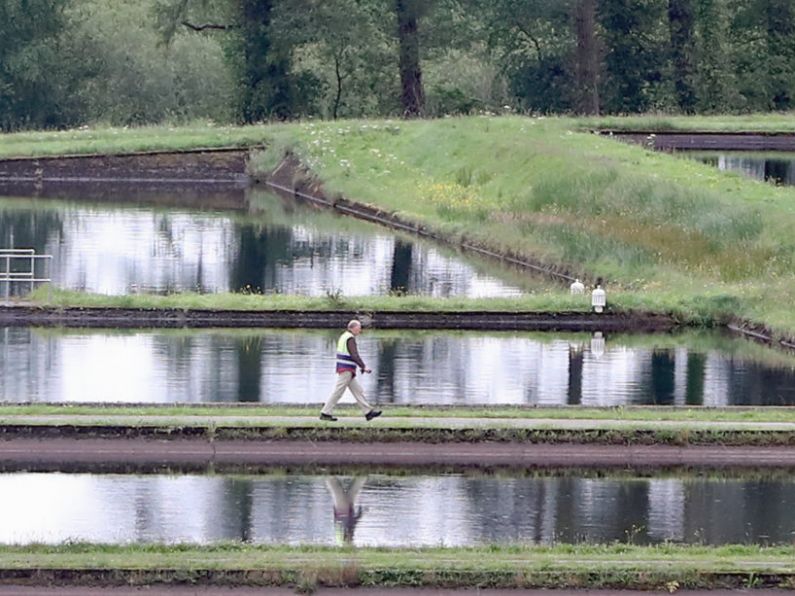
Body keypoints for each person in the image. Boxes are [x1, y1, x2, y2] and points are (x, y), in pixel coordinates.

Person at [320, 319, 382, 421]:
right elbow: (354, 355)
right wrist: (363, 366)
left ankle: (368, 412)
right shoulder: (350, 338)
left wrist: (360, 366)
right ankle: (325, 413)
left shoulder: (344, 336)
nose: (360, 331)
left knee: (358, 391)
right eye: (358, 329)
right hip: (346, 369)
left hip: (346, 368)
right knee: (338, 391)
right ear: (352, 328)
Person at [325, 476, 367, 545]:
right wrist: (360, 514)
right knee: (337, 487)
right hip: (345, 509)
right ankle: (363, 475)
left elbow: (352, 523)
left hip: (343, 509)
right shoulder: (340, 536)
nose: (352, 538)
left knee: (336, 486)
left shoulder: (342, 536)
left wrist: (360, 514)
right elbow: (352, 523)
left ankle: (363, 475)